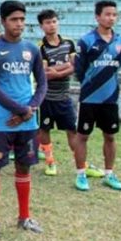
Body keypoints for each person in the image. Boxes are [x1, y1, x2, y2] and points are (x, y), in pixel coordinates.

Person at [0, 0, 47, 239]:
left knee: (24, 166)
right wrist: (19, 109)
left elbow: (42, 83)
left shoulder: (32, 49)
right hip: (3, 120)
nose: (19, 24)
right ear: (3, 21)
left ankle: (24, 217)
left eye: (22, 19)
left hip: (28, 119)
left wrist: (30, 108)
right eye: (13, 19)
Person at [73, 0, 121, 192]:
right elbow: (79, 71)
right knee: (82, 136)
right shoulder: (86, 41)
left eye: (114, 14)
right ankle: (80, 174)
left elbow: (117, 66)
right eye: (107, 14)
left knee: (110, 136)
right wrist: (91, 84)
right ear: (97, 17)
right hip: (89, 98)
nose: (111, 18)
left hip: (111, 98)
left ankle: (109, 173)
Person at [36, 9, 78, 177]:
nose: (51, 25)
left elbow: (75, 66)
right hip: (46, 97)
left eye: (54, 21)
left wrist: (58, 72)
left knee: (72, 130)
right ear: (41, 26)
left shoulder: (69, 43)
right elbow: (45, 73)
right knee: (44, 129)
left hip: (64, 97)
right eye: (47, 22)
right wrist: (66, 66)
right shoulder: (40, 48)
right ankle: (50, 161)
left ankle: (81, 163)